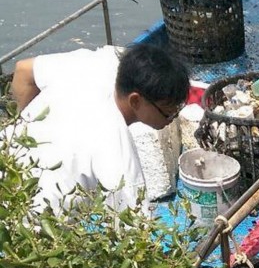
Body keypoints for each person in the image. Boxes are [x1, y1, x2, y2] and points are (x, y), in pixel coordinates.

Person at [9, 43, 190, 213]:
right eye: (168, 113)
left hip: (7, 161)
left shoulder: (96, 63)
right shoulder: (117, 154)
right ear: (135, 100)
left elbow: (23, 71)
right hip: (31, 219)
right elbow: (135, 235)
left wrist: (25, 130)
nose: (172, 117)